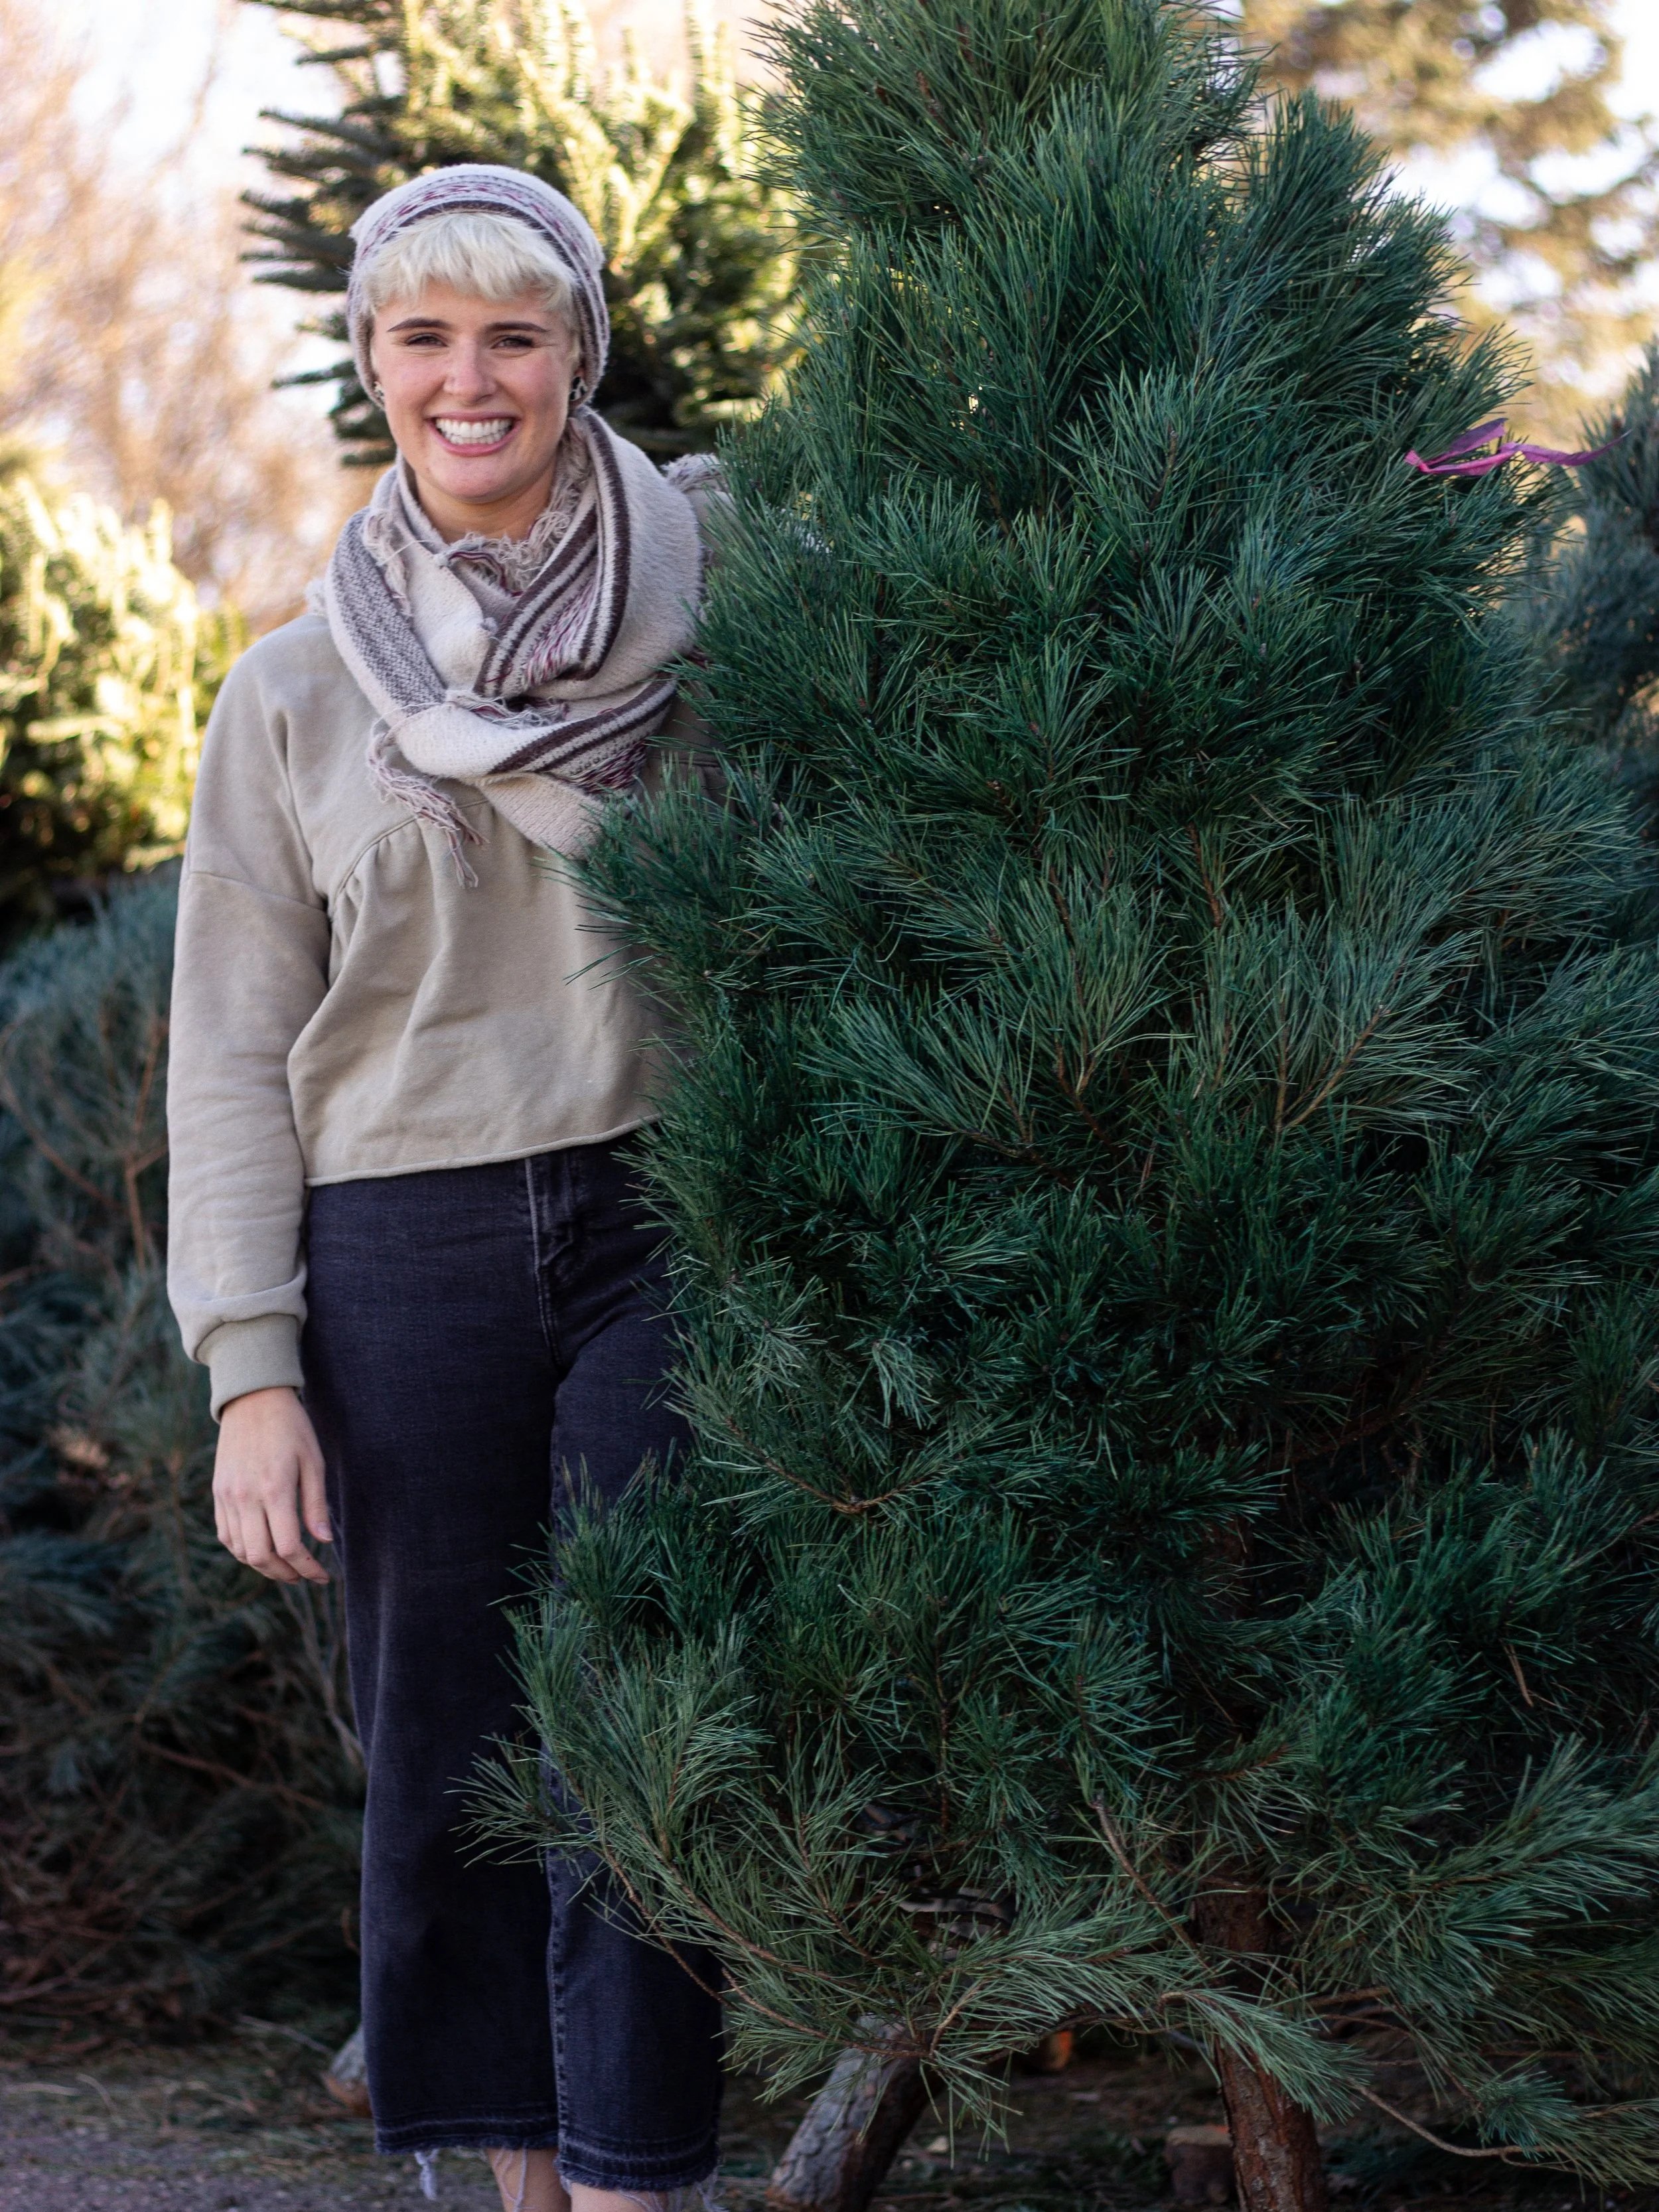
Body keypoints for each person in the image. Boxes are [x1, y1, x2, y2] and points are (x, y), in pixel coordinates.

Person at [165, 166, 723, 2212]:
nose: (466, 379)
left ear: (579, 350)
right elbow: (227, 1050)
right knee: (455, 1747)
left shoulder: (719, 615)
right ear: (372, 362)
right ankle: (512, 2185)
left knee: (639, 1719)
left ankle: (646, 2172)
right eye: (422, 337)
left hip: (666, 1208)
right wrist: (250, 1369)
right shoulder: (295, 692)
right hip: (395, 1239)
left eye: (513, 333)